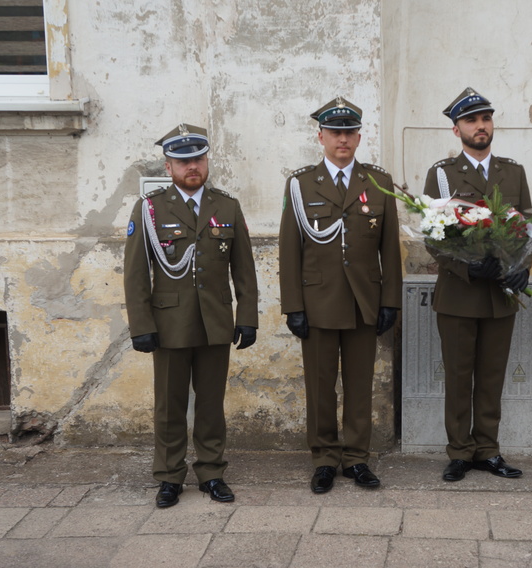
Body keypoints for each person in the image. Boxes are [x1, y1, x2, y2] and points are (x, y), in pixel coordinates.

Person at [124, 123, 259, 507]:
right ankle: (169, 476)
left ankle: (212, 472)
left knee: (211, 404)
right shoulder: (149, 209)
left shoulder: (227, 206)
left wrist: (247, 316)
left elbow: (244, 270)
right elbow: (135, 273)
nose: (191, 167)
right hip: (168, 325)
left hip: (216, 322)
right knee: (169, 404)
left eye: (197, 158)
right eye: (182, 161)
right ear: (168, 167)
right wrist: (141, 325)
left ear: (207, 160)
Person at [278, 97, 402, 494]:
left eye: (349, 132)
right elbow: (289, 248)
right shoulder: (300, 184)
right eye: (335, 132)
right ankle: (324, 458)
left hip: (364, 301)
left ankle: (357, 458)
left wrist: (390, 301)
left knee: (360, 384)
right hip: (318, 303)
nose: (343, 139)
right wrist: (293, 306)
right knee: (320, 385)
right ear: (321, 137)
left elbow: (390, 250)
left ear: (359, 136)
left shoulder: (379, 183)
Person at [423, 87, 532, 482]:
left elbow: (526, 226)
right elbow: (434, 237)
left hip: (501, 295)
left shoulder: (513, 171)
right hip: (459, 294)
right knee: (458, 377)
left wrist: (522, 269)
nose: (480, 126)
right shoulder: (443, 174)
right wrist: (469, 269)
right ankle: (459, 451)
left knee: (491, 377)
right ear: (457, 130)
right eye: (471, 120)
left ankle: (488, 449)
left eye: (485, 118)